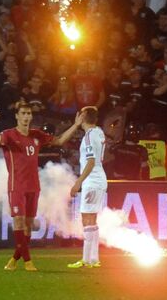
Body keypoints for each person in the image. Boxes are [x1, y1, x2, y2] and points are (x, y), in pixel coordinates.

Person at [0, 101, 83, 271]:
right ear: (17, 116)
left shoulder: (36, 135)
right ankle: (28, 261)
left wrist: (76, 125)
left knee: (29, 226)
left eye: (28, 114)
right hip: (16, 187)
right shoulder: (9, 135)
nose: (26, 117)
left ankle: (14, 260)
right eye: (23, 113)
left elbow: (59, 141)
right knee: (19, 222)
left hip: (34, 187)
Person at [68, 107, 108, 268]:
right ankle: (93, 259)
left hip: (92, 180)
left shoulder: (89, 137)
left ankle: (87, 259)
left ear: (83, 117)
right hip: (99, 179)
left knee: (86, 218)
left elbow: (91, 161)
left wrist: (78, 182)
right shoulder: (99, 132)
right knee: (92, 219)